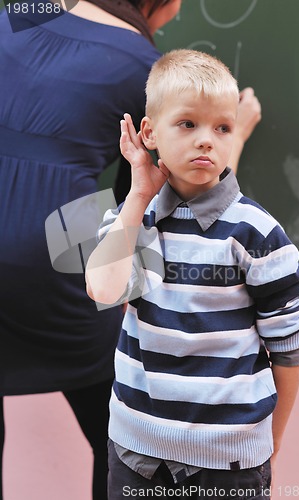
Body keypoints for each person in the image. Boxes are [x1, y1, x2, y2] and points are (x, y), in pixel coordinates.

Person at [0, 1, 260, 498]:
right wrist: (233, 132)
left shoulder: (14, 13)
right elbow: (175, 202)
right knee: (128, 430)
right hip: (48, 244)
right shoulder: (145, 68)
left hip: (41, 229)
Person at [86, 49, 299, 500]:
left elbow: (288, 348)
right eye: (188, 124)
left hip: (229, 460)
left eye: (223, 128)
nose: (207, 140)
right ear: (149, 133)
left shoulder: (258, 234)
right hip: (136, 451)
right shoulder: (133, 219)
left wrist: (274, 433)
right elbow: (103, 290)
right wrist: (139, 192)